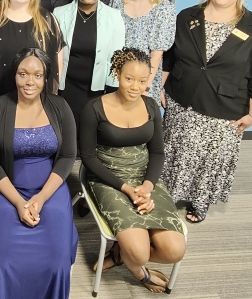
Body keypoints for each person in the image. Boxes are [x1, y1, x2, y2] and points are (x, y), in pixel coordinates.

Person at [161, 0, 252, 223]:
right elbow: (170, 56)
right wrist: (160, 84)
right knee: (174, 151)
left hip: (223, 109)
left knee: (208, 160)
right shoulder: (187, 17)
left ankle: (199, 202)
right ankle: (167, 193)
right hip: (182, 101)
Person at [79, 48, 186, 293]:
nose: (135, 87)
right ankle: (136, 267)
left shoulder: (151, 106)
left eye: (142, 80)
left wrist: (147, 188)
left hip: (144, 177)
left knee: (174, 251)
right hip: (108, 178)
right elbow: (88, 158)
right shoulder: (94, 108)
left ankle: (118, 254)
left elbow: (157, 152)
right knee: (138, 253)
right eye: (129, 79)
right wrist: (127, 189)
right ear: (117, 74)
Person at [0, 47, 78, 299]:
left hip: (50, 189)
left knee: (56, 262)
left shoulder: (60, 107)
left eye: (37, 75)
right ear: (14, 75)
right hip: (5, 188)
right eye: (23, 74)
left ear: (46, 78)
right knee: (0, 261)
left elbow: (67, 156)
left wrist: (41, 198)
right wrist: (19, 203)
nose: (29, 82)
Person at [53, 0, 125, 132]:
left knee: (89, 133)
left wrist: (112, 93)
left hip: (96, 90)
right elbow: (53, 53)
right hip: (66, 87)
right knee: (64, 131)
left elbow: (116, 59)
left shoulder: (114, 17)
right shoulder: (59, 13)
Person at [109, 0, 176, 104]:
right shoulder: (117, 2)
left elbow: (156, 56)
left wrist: (144, 87)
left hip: (142, 84)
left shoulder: (164, 9)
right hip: (114, 79)